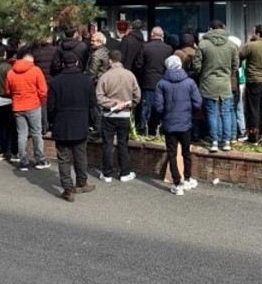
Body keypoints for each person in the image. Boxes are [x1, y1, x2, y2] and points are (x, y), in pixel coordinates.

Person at [47, 52, 97, 202]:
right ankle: (81, 182)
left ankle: (68, 189)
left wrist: (51, 121)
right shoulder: (86, 81)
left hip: (61, 123)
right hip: (80, 122)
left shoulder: (55, 82)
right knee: (80, 155)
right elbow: (92, 103)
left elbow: (50, 106)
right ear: (76, 63)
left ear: (63, 64)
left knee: (63, 157)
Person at [154, 55, 202, 196]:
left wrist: (165, 115)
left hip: (169, 123)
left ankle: (177, 183)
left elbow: (158, 106)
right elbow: (198, 102)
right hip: (185, 122)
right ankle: (187, 178)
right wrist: (190, 113)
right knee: (186, 152)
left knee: (172, 153)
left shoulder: (161, 83)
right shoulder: (189, 82)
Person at [193, 20, 239, 152]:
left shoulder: (203, 43)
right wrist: (227, 73)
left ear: (210, 28)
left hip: (208, 84)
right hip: (225, 84)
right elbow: (236, 65)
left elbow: (196, 65)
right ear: (223, 28)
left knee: (212, 114)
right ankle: (226, 142)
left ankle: (214, 142)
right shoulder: (231, 45)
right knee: (226, 113)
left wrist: (203, 73)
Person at [96, 50, 141, 182]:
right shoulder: (130, 75)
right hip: (124, 114)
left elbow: (99, 97)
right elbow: (137, 96)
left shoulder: (105, 76)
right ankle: (124, 173)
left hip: (108, 114)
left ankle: (107, 174)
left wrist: (113, 103)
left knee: (107, 144)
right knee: (123, 144)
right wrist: (129, 104)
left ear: (110, 60)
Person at [5, 50, 50, 171]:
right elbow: (43, 90)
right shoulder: (35, 70)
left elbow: (7, 91)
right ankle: (39, 159)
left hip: (17, 106)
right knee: (36, 133)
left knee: (22, 134)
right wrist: (40, 101)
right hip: (33, 105)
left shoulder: (10, 72)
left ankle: (23, 162)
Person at [133, 26, 173, 135]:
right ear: (162, 36)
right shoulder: (168, 49)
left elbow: (138, 65)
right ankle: (160, 130)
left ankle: (142, 131)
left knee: (146, 108)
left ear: (151, 35)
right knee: (162, 108)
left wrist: (143, 74)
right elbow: (170, 66)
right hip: (163, 82)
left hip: (148, 82)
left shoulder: (145, 47)